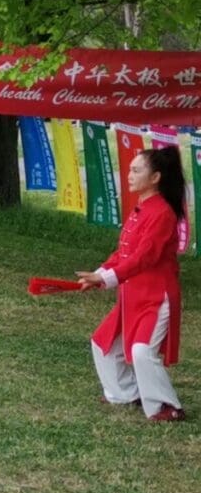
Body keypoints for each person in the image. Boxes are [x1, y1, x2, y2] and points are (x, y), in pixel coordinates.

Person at [77, 147, 186, 422]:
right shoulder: (141, 208)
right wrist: (99, 273)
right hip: (133, 294)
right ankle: (125, 394)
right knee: (102, 344)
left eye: (136, 170)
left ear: (156, 177)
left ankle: (166, 406)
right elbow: (124, 253)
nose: (129, 175)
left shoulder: (162, 213)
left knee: (141, 351)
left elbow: (145, 257)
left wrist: (106, 278)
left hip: (155, 296)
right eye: (130, 169)